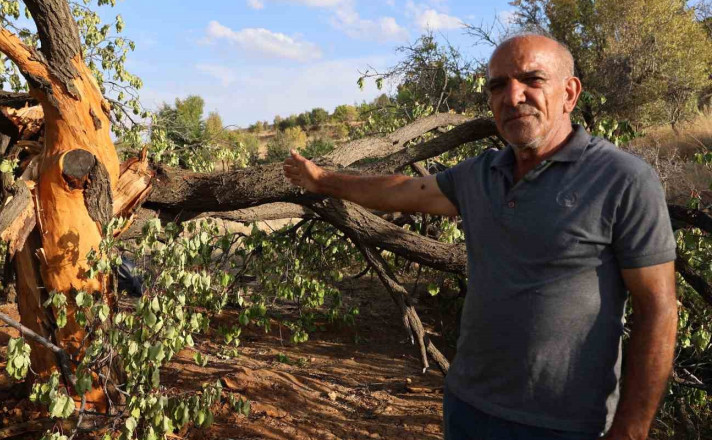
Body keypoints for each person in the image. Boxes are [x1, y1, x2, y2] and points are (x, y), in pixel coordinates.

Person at [282, 33, 677, 440]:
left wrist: (630, 430)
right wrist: (322, 180)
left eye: (532, 79)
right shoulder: (480, 174)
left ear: (569, 93)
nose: (513, 96)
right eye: (498, 85)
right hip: (469, 408)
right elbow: (402, 191)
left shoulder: (622, 179)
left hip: (568, 424)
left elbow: (659, 309)